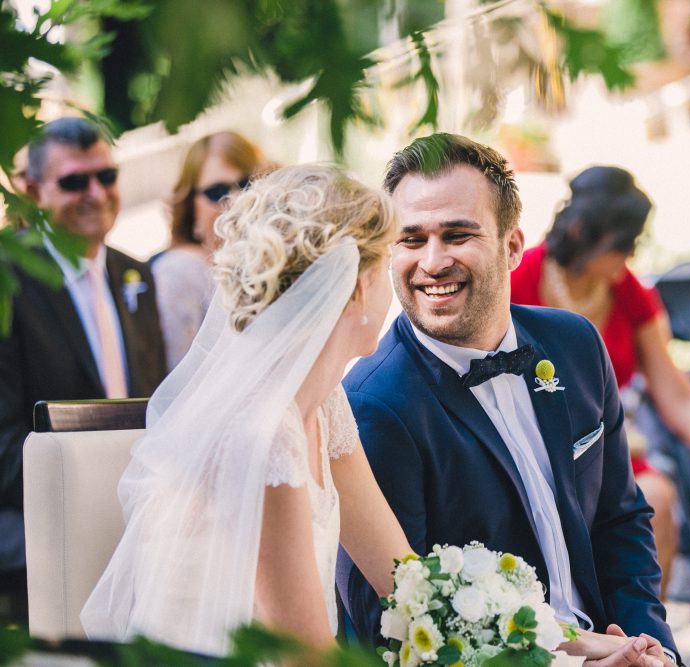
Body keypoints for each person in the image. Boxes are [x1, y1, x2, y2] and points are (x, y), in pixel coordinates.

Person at [340, 133, 682, 666]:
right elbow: (388, 631)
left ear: (513, 246)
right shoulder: (375, 407)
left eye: (457, 234)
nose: (433, 261)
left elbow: (620, 519)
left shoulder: (576, 343)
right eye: (412, 239)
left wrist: (650, 649)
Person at [80, 164, 412, 657]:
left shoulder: (324, 404)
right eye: (384, 267)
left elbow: (401, 575)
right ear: (359, 286)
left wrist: (492, 631)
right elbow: (304, 655)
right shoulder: (264, 435)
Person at [511, 166, 690, 595]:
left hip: (604, 458)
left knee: (656, 499)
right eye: (623, 244)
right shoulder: (516, 282)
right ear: (580, 231)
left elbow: (680, 397)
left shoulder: (627, 293)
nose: (629, 256)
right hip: (526, 455)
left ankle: (642, 631)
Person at [0, 117, 166, 619]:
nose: (96, 193)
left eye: (106, 176)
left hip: (139, 529)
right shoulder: (8, 282)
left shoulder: (134, 274)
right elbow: (4, 442)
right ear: (33, 192)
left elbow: (152, 406)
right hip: (40, 536)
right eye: (74, 181)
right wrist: (96, 498)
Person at [154, 131, 269, 370]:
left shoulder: (266, 264)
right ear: (190, 205)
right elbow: (181, 377)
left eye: (246, 184)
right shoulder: (180, 271)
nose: (235, 200)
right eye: (217, 192)